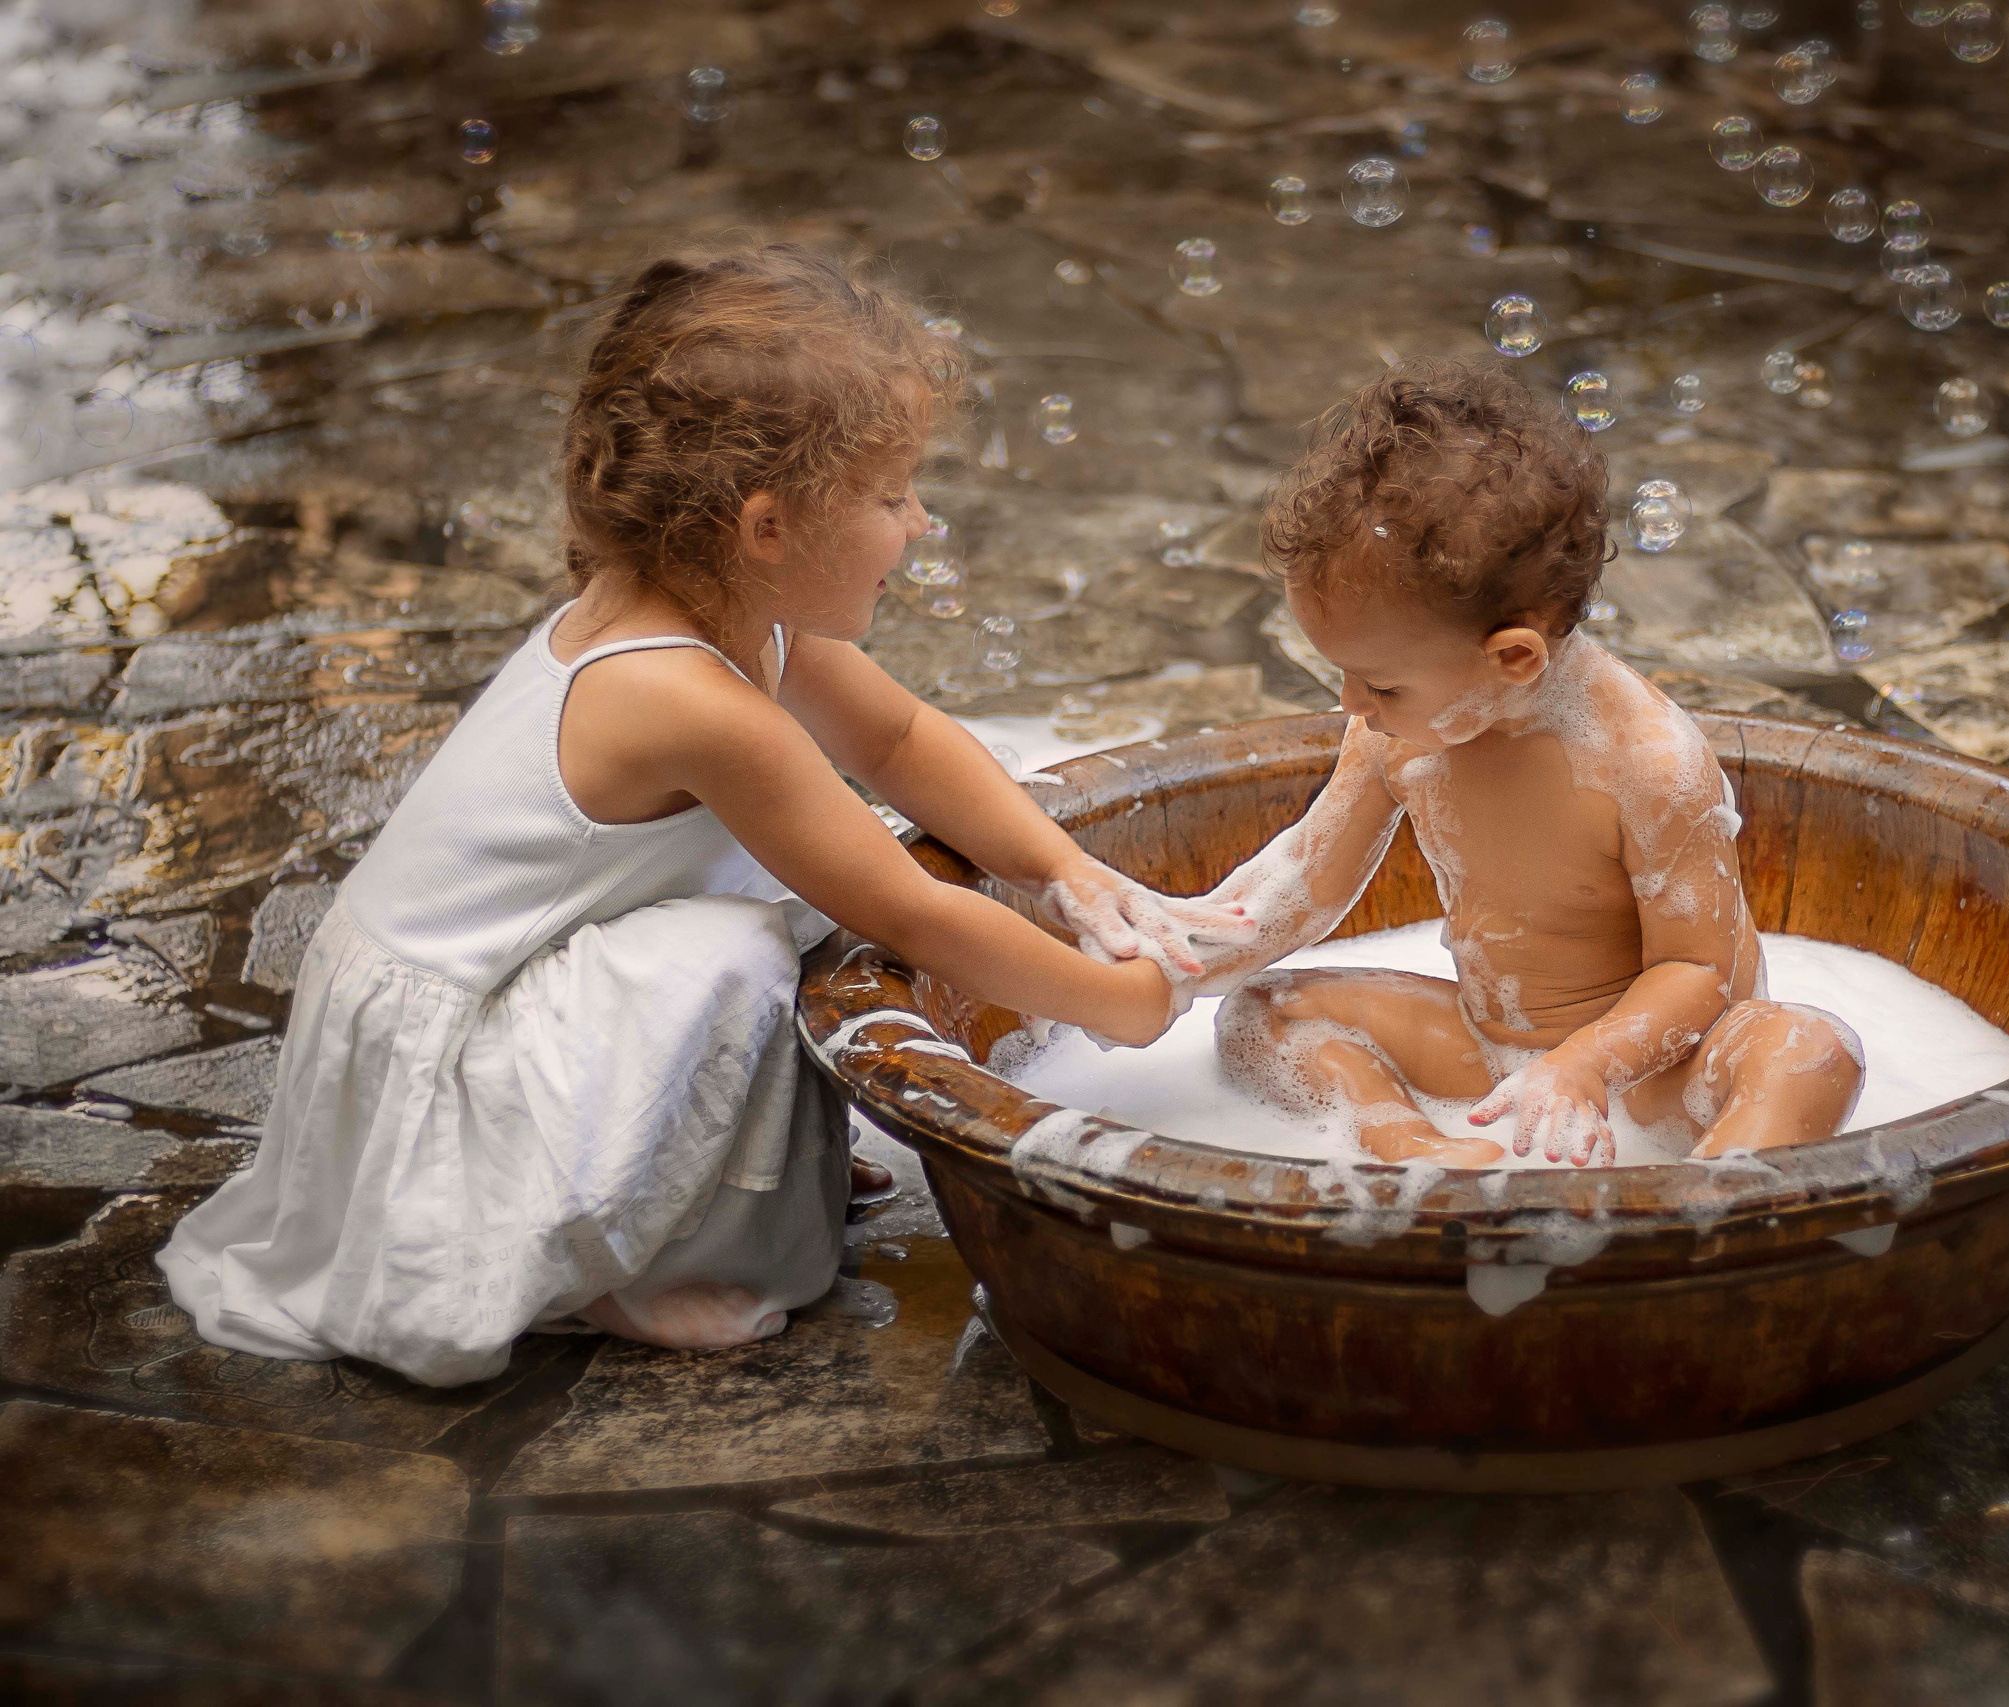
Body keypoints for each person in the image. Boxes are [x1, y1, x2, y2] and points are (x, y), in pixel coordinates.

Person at [158, 248, 1245, 1387]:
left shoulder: (728, 603)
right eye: (890, 496)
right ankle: (593, 1258)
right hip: (442, 1080)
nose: (921, 523)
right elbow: (913, 916)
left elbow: (899, 743)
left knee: (821, 864)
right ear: (769, 528)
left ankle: (673, 1183)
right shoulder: (681, 696)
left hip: (504, 993)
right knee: (741, 945)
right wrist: (1125, 1004)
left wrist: (1073, 873)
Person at [1184, 358, 1863, 1169]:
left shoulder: (1643, 760)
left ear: (1511, 658)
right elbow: (1304, 881)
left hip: (1654, 1071)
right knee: (1264, 1015)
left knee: (1810, 1048)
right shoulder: (1401, 730)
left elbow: (1698, 969)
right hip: (1489, 1046)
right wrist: (1171, 953)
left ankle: (1703, 1212)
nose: (1349, 702)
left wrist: (1585, 1065)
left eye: (1379, 680)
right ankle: (1407, 1145)